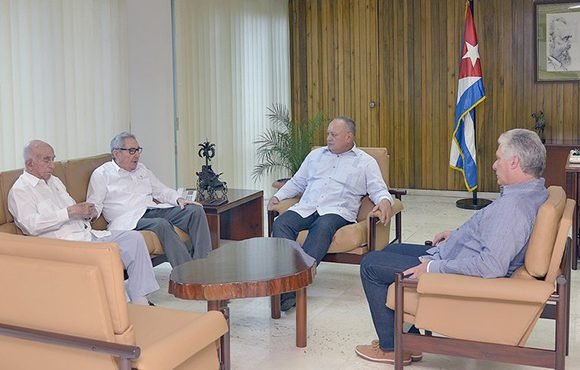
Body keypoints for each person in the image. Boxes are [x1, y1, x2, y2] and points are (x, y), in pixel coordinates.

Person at [354, 128, 548, 365]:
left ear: (515, 162)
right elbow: (499, 235)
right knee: (391, 251)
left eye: (499, 159)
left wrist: (433, 268)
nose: (494, 165)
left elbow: (492, 265)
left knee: (371, 265)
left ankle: (392, 348)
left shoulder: (514, 208)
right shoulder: (532, 192)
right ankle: (410, 342)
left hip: (456, 272)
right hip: (455, 254)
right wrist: (458, 236)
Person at [8, 140, 159, 305]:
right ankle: (119, 306)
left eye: (53, 159)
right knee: (108, 255)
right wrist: (69, 212)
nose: (52, 165)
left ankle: (140, 299)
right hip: (63, 245)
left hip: (86, 234)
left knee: (134, 239)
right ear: (29, 164)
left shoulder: (54, 181)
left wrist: (86, 212)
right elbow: (31, 225)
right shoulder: (20, 191)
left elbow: (73, 209)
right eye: (47, 160)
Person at [269, 116, 394, 311]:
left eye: (333, 134)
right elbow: (297, 182)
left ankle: (296, 284)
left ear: (348, 137)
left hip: (337, 210)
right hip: (307, 206)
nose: (328, 138)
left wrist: (385, 201)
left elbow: (378, 189)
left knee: (323, 227)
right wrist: (278, 197)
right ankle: (289, 280)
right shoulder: (315, 156)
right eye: (328, 133)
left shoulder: (365, 162)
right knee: (281, 223)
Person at [87, 132, 211, 268]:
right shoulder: (102, 174)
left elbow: (161, 190)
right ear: (116, 153)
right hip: (129, 219)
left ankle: (203, 266)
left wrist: (179, 199)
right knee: (162, 225)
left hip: (151, 209)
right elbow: (95, 205)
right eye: (132, 151)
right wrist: (90, 214)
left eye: (138, 150)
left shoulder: (141, 169)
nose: (137, 155)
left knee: (195, 211)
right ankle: (187, 274)